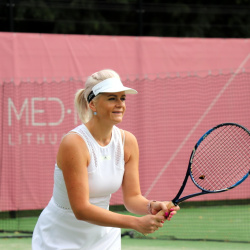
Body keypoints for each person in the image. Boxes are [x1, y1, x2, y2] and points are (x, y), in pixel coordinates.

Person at [32, 69, 180, 250]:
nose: (120, 104)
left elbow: (133, 198)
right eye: (112, 98)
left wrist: (151, 206)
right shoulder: (74, 143)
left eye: (122, 98)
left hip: (104, 238)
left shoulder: (128, 142)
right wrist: (136, 223)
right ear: (93, 105)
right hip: (60, 236)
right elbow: (81, 209)